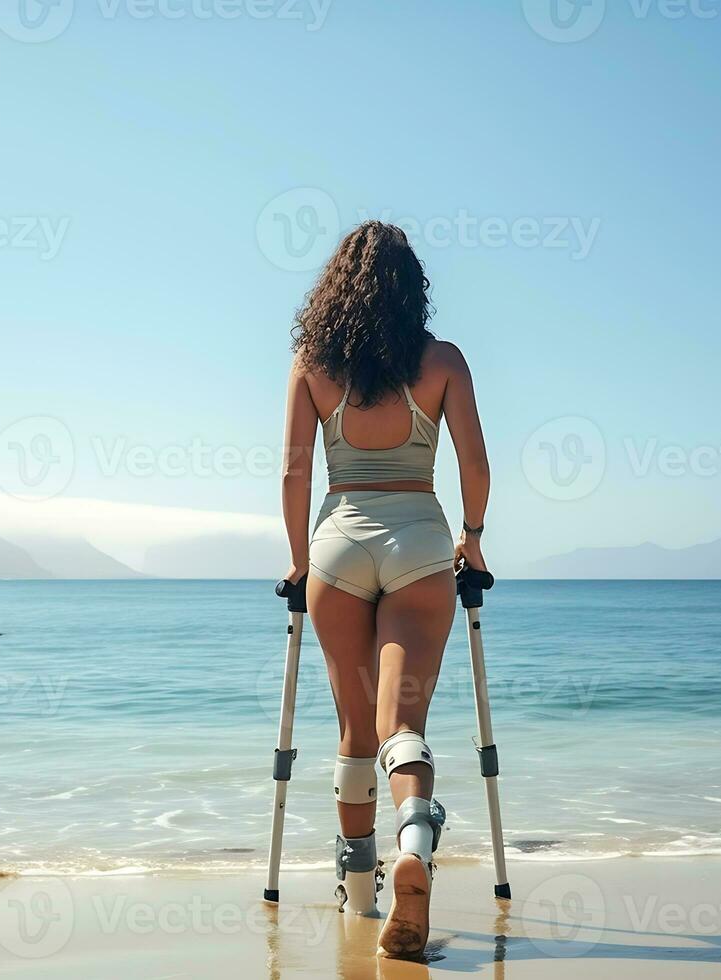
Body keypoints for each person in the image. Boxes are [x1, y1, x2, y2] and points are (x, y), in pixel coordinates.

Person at [280, 221, 490, 958]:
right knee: (402, 723)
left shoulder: (311, 364)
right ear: (412, 287)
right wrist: (473, 536)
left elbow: (295, 475)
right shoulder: (442, 362)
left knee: (352, 733)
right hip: (421, 547)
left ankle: (361, 896)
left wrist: (298, 563)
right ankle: (416, 846)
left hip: (338, 547)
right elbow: (476, 464)